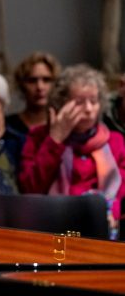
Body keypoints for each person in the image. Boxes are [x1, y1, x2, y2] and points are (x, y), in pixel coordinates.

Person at [19, 64, 125, 238]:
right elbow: (31, 187)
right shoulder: (39, 137)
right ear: (62, 104)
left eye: (94, 101)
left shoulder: (115, 140)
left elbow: (120, 192)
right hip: (53, 227)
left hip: (104, 229)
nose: (89, 109)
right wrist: (55, 139)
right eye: (79, 102)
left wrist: (106, 212)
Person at [6, 51, 62, 136]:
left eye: (46, 80)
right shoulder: (8, 127)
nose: (40, 87)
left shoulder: (63, 124)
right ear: (22, 85)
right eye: (32, 81)